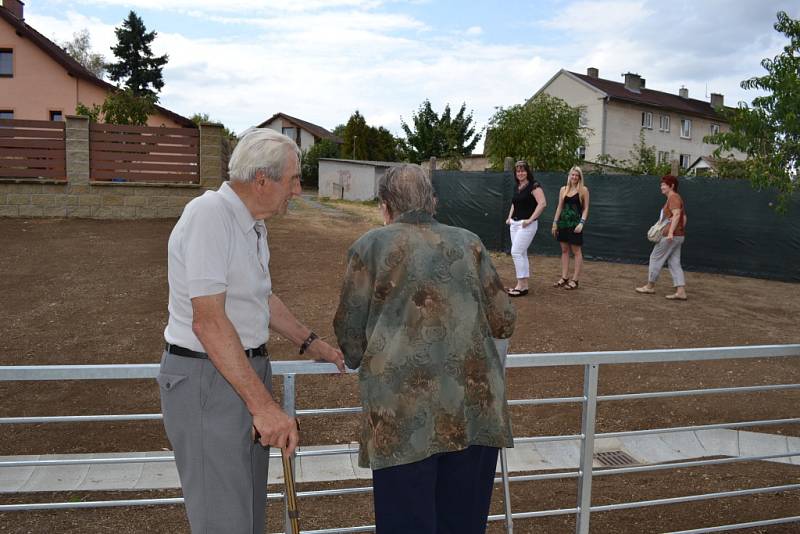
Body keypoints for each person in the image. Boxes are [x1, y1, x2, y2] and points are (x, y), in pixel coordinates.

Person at [158, 128, 346, 533]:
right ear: (262, 179)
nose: (297, 190)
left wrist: (312, 343)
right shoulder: (210, 215)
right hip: (209, 379)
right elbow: (208, 320)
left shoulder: (253, 226)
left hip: (240, 375)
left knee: (245, 516)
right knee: (224, 521)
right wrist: (264, 408)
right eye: (293, 179)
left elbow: (259, 298)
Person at [334, 164, 516, 534]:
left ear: (386, 205)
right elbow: (504, 319)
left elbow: (349, 331)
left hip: (402, 418)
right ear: (432, 202)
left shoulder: (369, 246)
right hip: (473, 411)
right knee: (462, 523)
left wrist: (361, 356)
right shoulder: (470, 242)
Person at [636, 174, 688, 300]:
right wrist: (679, 230)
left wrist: (670, 232)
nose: (661, 187)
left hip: (670, 237)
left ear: (672, 186)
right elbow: (684, 217)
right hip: (678, 236)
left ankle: (650, 286)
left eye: (664, 185)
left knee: (655, 258)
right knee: (674, 263)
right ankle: (681, 291)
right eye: (661, 184)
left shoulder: (673, 197)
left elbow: (676, 215)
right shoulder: (674, 198)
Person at [505, 160, 546, 296]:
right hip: (515, 224)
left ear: (527, 172)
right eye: (518, 171)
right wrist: (509, 218)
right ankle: (524, 285)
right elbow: (514, 204)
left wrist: (530, 219)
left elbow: (542, 204)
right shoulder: (517, 186)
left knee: (516, 252)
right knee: (521, 253)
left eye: (523, 170)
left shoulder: (534, 186)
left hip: (526, 225)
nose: (520, 173)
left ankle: (520, 286)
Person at [551, 166, 590, 290]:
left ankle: (575, 280)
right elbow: (559, 207)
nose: (574, 177)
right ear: (569, 175)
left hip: (575, 225)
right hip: (563, 223)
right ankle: (564, 277)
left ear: (579, 177)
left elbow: (586, 208)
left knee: (576, 251)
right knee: (564, 250)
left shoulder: (583, 190)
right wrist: (555, 223)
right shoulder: (563, 189)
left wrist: (581, 223)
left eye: (576, 175)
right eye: (572, 175)